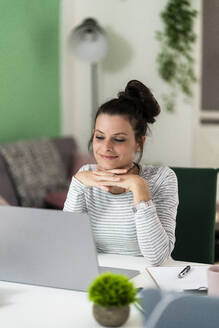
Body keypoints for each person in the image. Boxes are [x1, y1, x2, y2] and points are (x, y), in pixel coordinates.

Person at [64, 80, 178, 265]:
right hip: (99, 274)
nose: (106, 147)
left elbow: (158, 257)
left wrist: (138, 187)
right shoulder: (85, 177)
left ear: (139, 142)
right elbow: (67, 245)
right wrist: (77, 184)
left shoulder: (163, 178)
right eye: (99, 136)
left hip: (149, 278)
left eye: (118, 139)